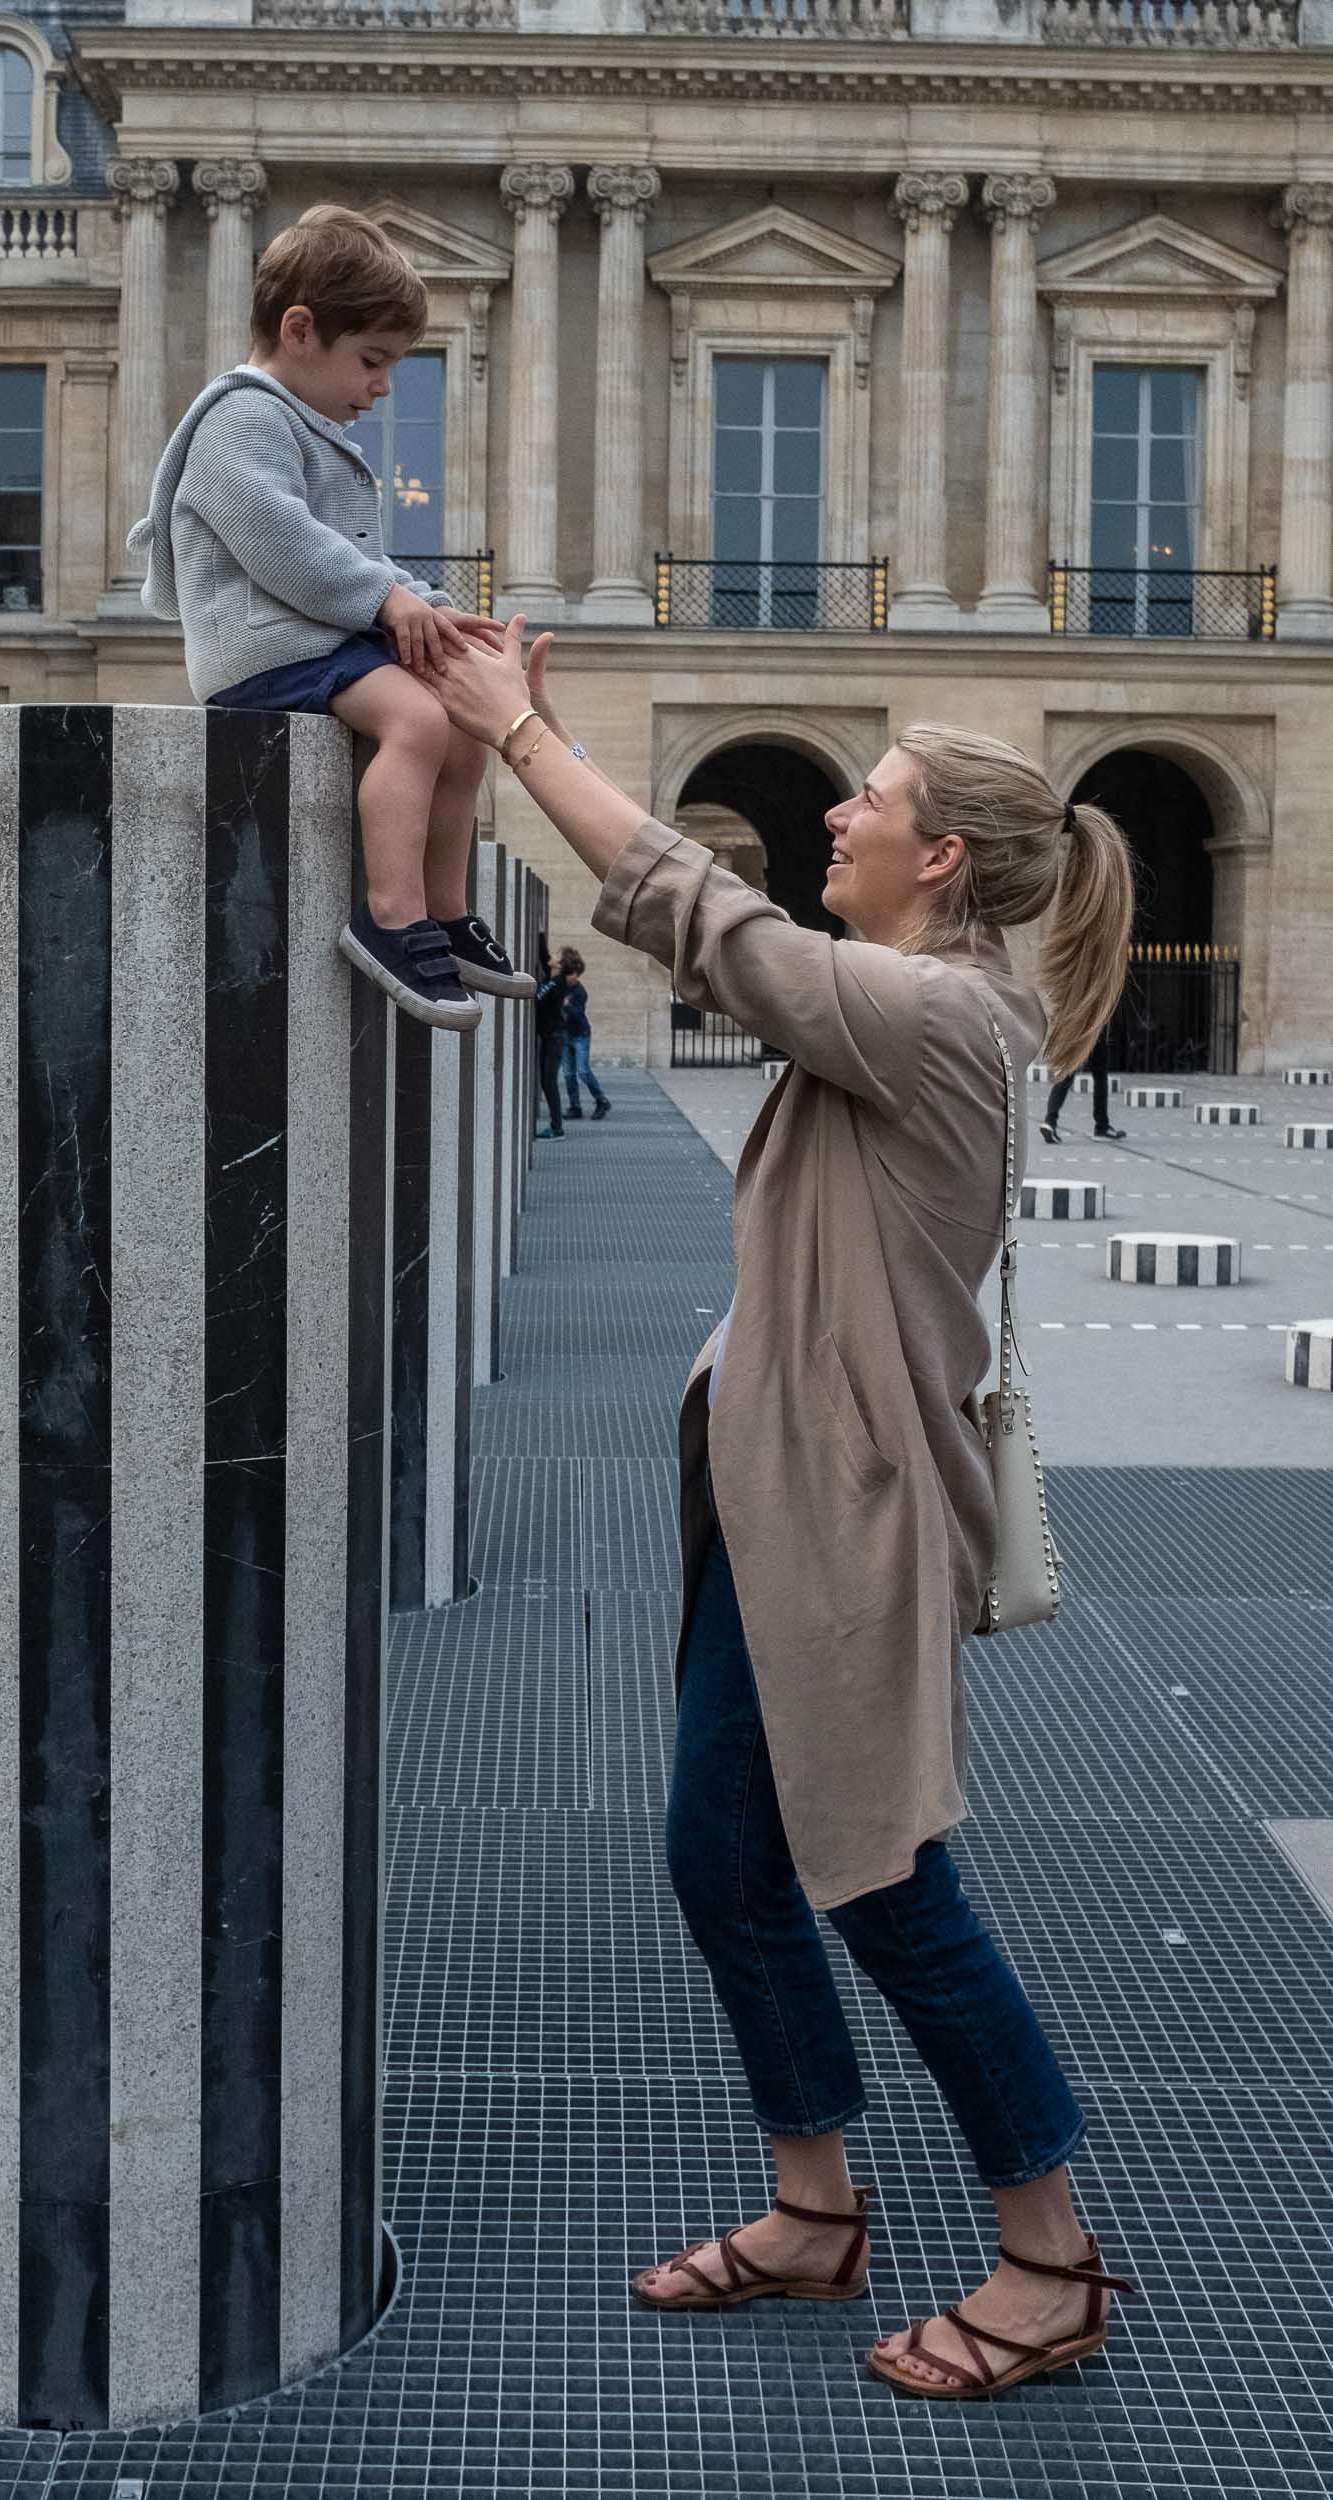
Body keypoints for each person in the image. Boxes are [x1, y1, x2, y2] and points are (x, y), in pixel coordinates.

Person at [430, 616, 1138, 2404]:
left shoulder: (938, 1015)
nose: (835, 817)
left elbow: (700, 914)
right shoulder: (919, 1008)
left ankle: (1048, 2261)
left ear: (943, 858)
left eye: (871, 804)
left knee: (885, 1880)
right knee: (724, 1855)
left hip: (846, 1515)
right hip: (779, 1496)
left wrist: (519, 739)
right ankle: (814, 2206)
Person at [129, 204, 533, 1030]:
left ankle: (447, 914)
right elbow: (284, 543)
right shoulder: (239, 418)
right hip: (260, 648)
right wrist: (387, 603)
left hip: (312, 637)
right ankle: (389, 918)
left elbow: (351, 560)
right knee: (417, 720)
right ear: (300, 329)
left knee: (461, 725)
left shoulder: (292, 422)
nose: (383, 387)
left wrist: (436, 613)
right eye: (372, 361)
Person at [1040, 1018, 1125, 1145]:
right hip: (1094, 1023)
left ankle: (1050, 1121)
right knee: (1100, 1074)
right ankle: (1102, 1126)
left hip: (1074, 1024)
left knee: (1067, 1072)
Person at [557, 947, 611, 1122]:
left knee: (583, 1071)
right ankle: (575, 1106)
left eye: (575, 974)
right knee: (568, 1073)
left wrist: (565, 1005)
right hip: (566, 1036)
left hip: (581, 1035)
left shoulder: (580, 992)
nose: (572, 977)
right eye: (569, 973)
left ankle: (601, 1100)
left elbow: (577, 1014)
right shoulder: (561, 986)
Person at [535, 937, 567, 1141]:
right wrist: (539, 936)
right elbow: (543, 955)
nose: (552, 956)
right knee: (546, 1082)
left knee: (549, 1082)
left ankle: (557, 1128)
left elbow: (537, 997)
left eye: (557, 955)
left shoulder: (555, 983)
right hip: (550, 1038)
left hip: (553, 1039)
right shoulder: (552, 978)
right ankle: (556, 1126)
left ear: (561, 964)